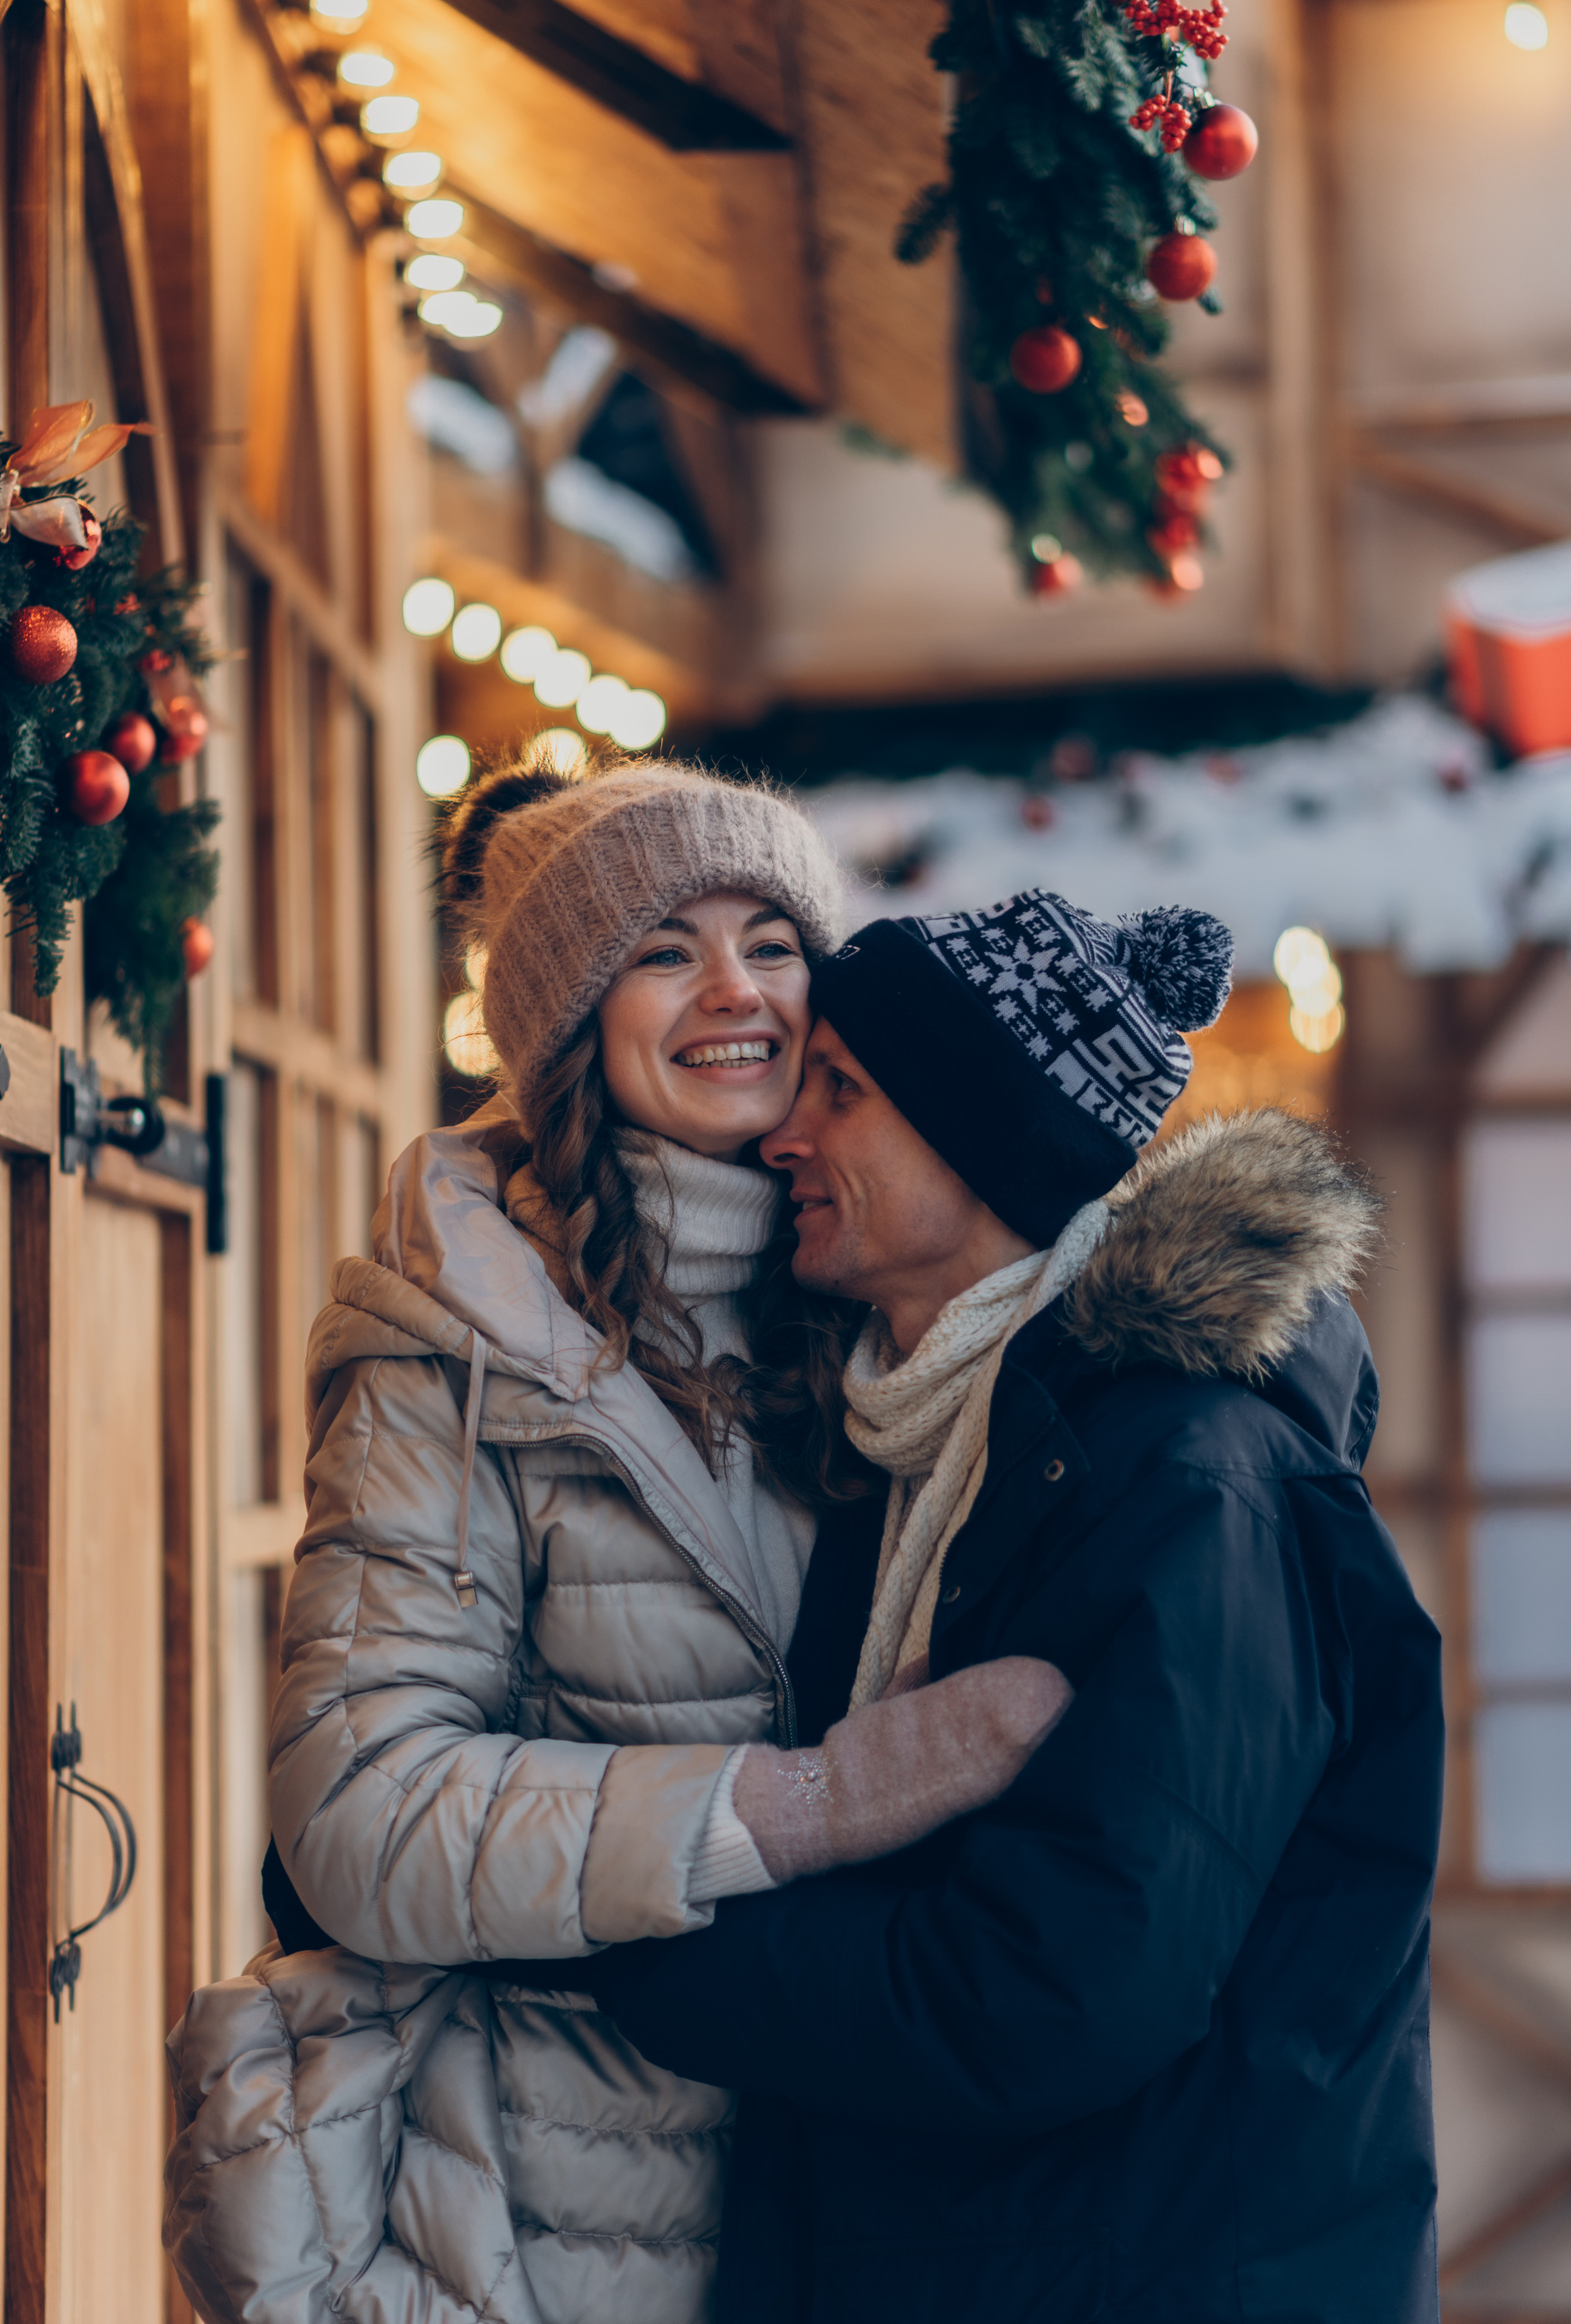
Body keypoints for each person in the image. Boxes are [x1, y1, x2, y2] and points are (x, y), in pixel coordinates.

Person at [164, 755, 1070, 2324]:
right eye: (663, 951)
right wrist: (797, 1808)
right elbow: (357, 1807)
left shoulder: (885, 1305)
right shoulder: (453, 1341)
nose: (735, 992)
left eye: (772, 945)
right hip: (530, 2202)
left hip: (844, 2184)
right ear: (568, 1018)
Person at [595, 887, 1446, 2324]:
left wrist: (600, 1928)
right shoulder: (904, 1457)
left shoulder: (1193, 1485)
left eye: (842, 1091)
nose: (785, 1136)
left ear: (979, 1135)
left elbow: (1052, 1990)